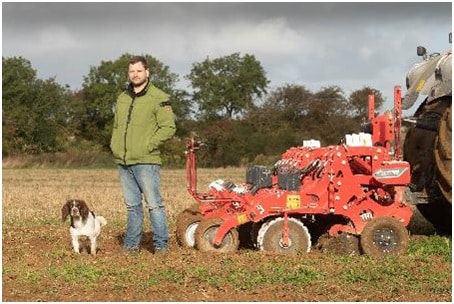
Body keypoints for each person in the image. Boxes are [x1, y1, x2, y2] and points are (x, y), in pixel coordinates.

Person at [110, 55, 176, 253]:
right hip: (124, 160)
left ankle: (161, 246)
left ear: (147, 72)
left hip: (146, 161)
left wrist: (149, 145)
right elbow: (116, 125)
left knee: (154, 205)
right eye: (131, 71)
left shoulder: (159, 98)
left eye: (139, 71)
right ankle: (131, 247)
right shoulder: (122, 97)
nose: (135, 74)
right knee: (132, 206)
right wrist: (114, 145)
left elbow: (168, 127)